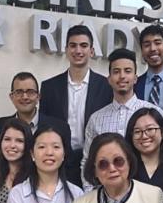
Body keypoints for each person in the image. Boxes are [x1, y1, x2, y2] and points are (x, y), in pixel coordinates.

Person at [40, 25, 113, 186]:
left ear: (92, 51)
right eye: (73, 46)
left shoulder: (106, 86)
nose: (78, 50)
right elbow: (44, 127)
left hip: (93, 160)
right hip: (59, 161)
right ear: (66, 50)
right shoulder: (49, 87)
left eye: (84, 46)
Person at [81, 48, 163, 182]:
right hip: (106, 192)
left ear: (135, 78)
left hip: (148, 188)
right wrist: (91, 192)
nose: (122, 76)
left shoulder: (153, 113)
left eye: (127, 71)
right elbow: (87, 160)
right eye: (116, 71)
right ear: (109, 79)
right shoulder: (96, 118)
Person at [0, 72, 73, 155]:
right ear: (12, 97)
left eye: (30, 92)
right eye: (19, 92)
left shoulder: (60, 127)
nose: (25, 97)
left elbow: (67, 163)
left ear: (38, 97)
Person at [125, 107, 163, 192]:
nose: (144, 136)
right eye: (137, 131)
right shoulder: (125, 172)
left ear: (162, 133)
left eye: (150, 129)